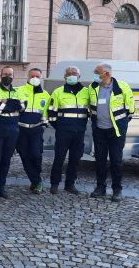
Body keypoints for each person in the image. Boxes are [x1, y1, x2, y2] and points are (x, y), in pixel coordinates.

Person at [88, 63, 135, 202]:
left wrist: (122, 125)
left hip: (116, 132)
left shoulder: (122, 87)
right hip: (99, 130)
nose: (95, 75)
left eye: (97, 72)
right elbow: (89, 107)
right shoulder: (93, 87)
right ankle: (100, 187)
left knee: (116, 161)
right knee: (100, 160)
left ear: (106, 74)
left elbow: (130, 109)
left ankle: (117, 190)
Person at [0, 66, 26, 202]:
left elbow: (22, 106)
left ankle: (1, 187)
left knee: (6, 161)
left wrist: (6, 103)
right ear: (0, 75)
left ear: (13, 76)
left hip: (12, 130)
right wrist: (12, 104)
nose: (7, 76)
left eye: (10, 74)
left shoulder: (18, 91)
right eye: (5, 74)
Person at [48, 66, 89, 195]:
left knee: (75, 159)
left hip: (79, 132)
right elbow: (51, 112)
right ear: (65, 77)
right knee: (59, 158)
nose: (72, 75)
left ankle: (70, 184)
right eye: (69, 74)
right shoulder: (58, 92)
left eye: (74, 73)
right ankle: (54, 184)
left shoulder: (86, 92)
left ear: (79, 76)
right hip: (63, 132)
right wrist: (59, 127)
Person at [16, 68, 50, 194]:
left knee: (36, 155)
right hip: (21, 129)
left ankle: (36, 180)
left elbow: (45, 112)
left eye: (37, 76)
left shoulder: (45, 95)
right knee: (24, 156)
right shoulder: (19, 91)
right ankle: (36, 182)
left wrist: (43, 125)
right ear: (28, 77)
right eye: (32, 76)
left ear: (41, 77)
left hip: (36, 129)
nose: (35, 78)